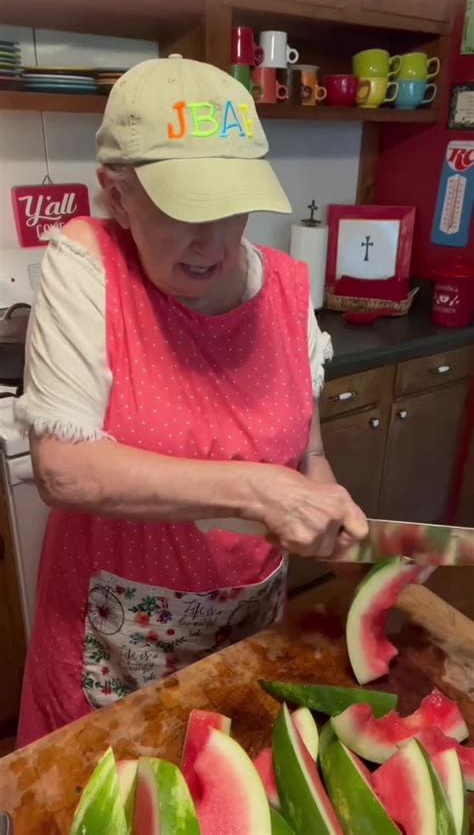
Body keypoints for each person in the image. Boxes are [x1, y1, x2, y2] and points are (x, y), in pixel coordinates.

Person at [15, 55, 368, 746]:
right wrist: (260, 491)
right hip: (112, 660)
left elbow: (310, 454)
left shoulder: (291, 291)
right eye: (182, 211)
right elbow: (63, 468)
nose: (215, 241)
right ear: (117, 196)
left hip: (248, 630)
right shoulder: (88, 264)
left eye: (231, 208)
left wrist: (337, 526)